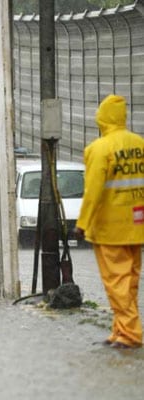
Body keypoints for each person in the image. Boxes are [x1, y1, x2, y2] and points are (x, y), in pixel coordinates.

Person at [75, 94, 144, 349]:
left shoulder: (99, 149)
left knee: (117, 283)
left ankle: (130, 335)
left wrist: (82, 223)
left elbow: (93, 191)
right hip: (137, 225)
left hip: (110, 229)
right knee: (130, 282)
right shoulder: (139, 144)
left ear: (102, 118)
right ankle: (121, 330)